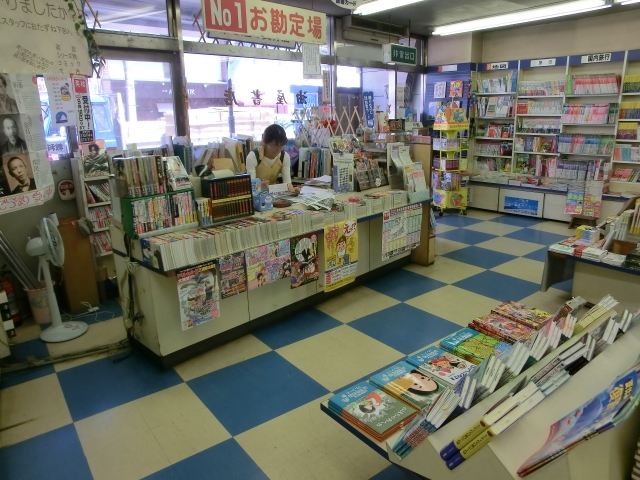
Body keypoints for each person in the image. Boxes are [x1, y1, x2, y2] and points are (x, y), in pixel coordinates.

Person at [246, 124, 295, 191]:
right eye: (274, 145)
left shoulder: (284, 157)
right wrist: (262, 187)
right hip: (257, 194)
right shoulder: (253, 156)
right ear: (264, 142)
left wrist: (292, 190)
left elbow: (287, 184)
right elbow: (252, 187)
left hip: (273, 193)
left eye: (281, 146)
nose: (278, 150)